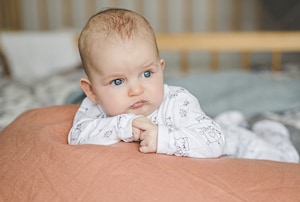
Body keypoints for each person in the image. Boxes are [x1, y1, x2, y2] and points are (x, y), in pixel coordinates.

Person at [68, 8, 299, 163]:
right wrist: (122, 126)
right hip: (208, 127)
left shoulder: (178, 101)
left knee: (284, 159)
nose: (136, 90)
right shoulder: (92, 108)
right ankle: (230, 119)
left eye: (147, 73)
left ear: (161, 68)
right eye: (118, 81)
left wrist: (162, 138)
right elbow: (77, 137)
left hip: (236, 145)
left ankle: (270, 130)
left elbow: (213, 144)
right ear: (92, 91)